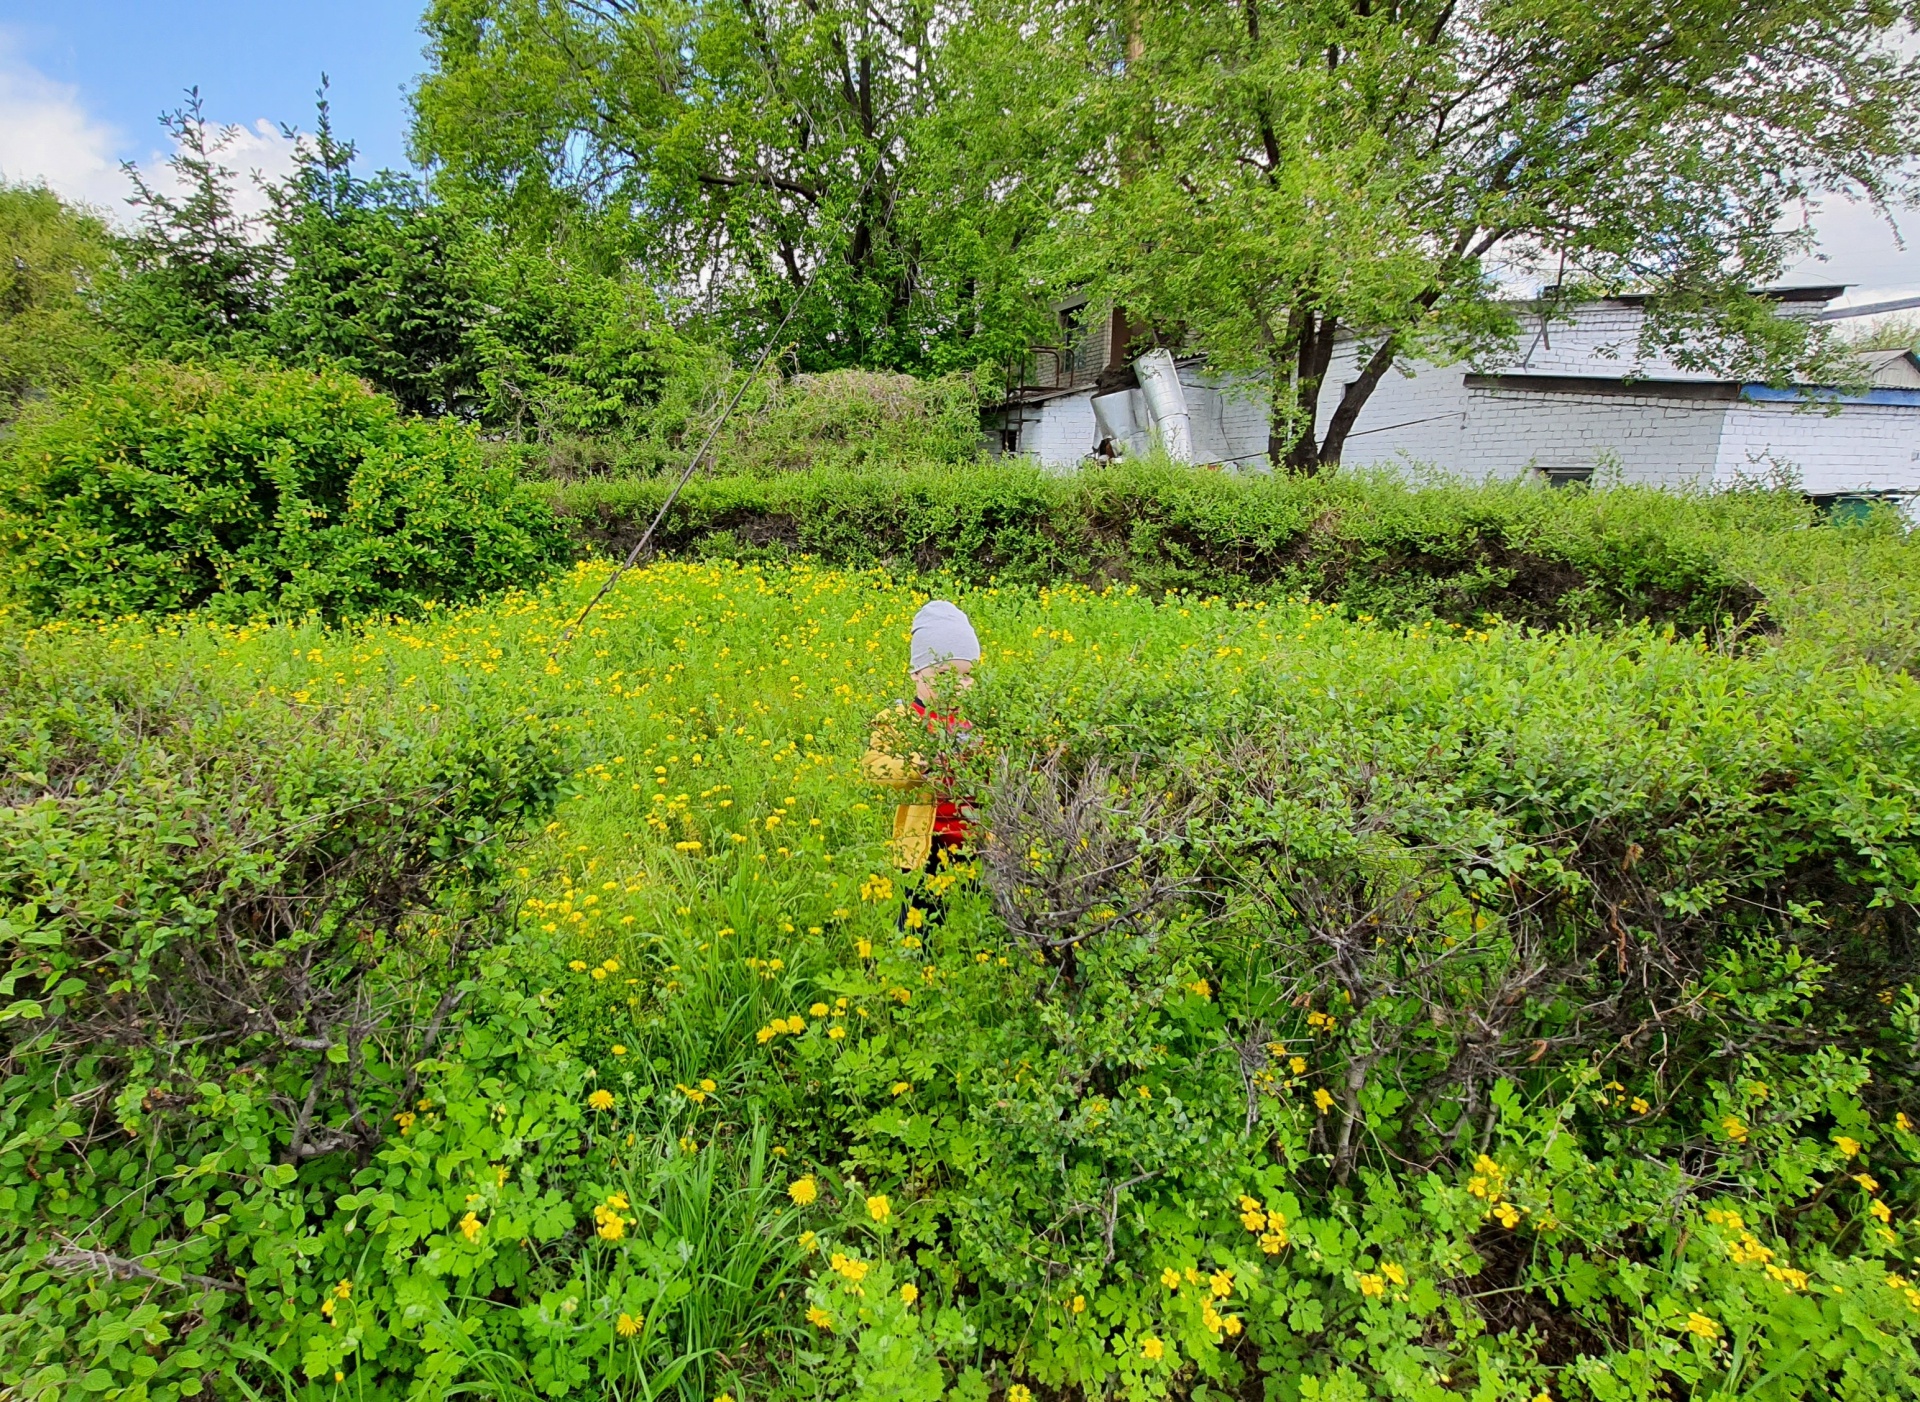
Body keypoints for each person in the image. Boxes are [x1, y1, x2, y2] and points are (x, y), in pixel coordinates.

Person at [861, 601, 981, 909]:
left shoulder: (980, 720)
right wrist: (920, 763)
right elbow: (874, 767)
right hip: (924, 847)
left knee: (978, 924)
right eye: (943, 674)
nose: (957, 685)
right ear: (916, 673)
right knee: (919, 923)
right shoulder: (901, 719)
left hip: (978, 845)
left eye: (966, 676)